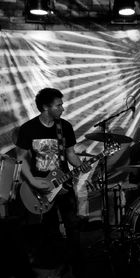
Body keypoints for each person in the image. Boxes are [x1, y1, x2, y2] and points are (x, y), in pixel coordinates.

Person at [16, 88, 91, 277]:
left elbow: (71, 154)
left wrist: (83, 166)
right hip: (39, 186)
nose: (63, 108)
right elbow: (21, 158)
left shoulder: (64, 127)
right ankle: (53, 265)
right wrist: (32, 180)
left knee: (73, 225)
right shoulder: (28, 128)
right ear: (45, 107)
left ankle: (76, 267)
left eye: (62, 104)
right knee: (48, 229)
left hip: (63, 184)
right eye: (58, 105)